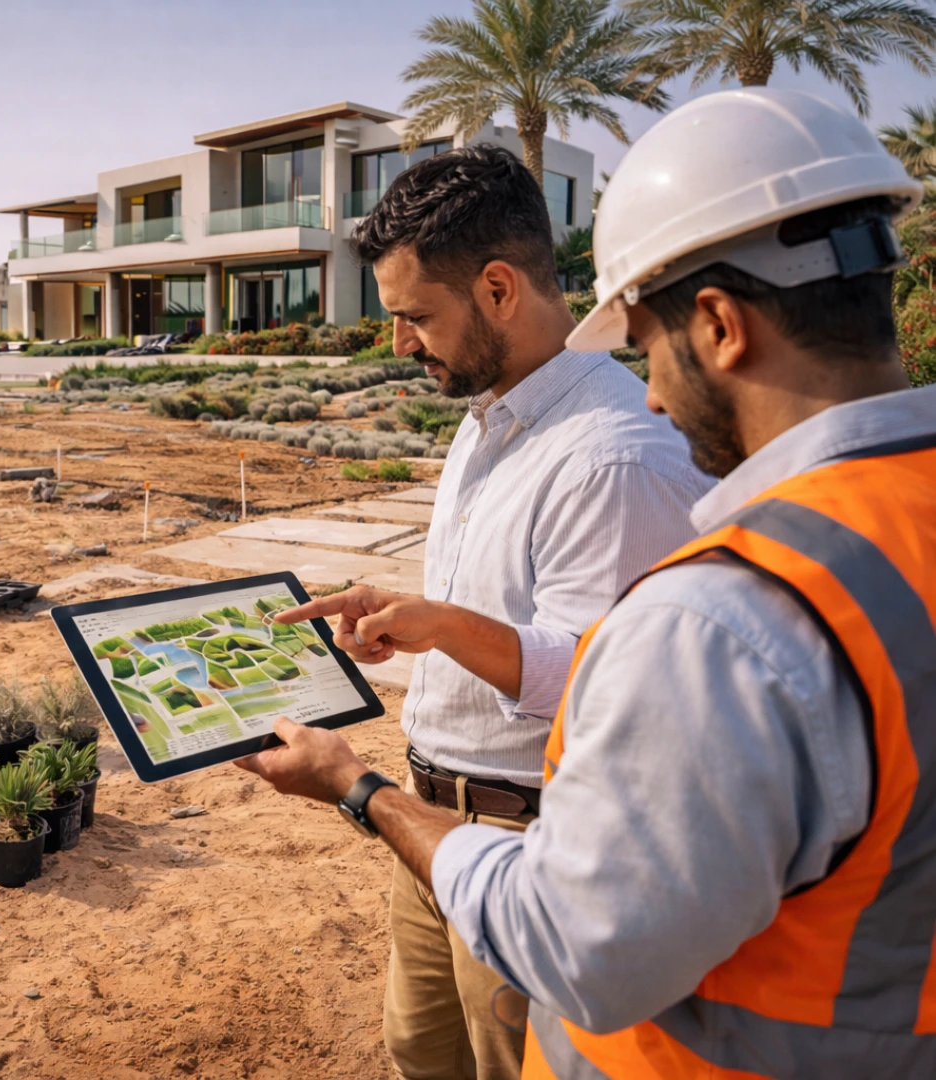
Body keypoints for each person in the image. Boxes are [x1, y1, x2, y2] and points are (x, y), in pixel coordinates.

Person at [237, 87, 934, 1078]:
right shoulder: (893, 516)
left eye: (644, 344)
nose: (650, 394)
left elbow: (585, 944)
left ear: (719, 325)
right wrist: (436, 623)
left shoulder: (711, 590)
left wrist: (359, 790)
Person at [327, 145, 710, 1077]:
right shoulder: (488, 416)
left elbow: (600, 685)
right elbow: (504, 611)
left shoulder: (613, 455)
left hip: (531, 846)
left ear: (498, 288)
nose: (399, 343)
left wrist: (444, 627)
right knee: (421, 1054)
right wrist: (412, 616)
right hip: (429, 823)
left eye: (416, 316)